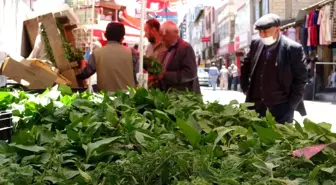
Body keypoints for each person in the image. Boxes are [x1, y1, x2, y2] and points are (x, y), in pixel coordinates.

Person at [240, 13, 308, 124]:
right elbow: (245, 65)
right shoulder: (256, 44)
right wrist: (245, 88)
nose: (262, 35)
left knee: (279, 139)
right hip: (256, 107)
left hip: (281, 108)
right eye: (260, 32)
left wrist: (291, 105)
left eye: (265, 31)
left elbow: (301, 79)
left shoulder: (293, 49)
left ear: (277, 30)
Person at [77, 22, 135, 92]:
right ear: (122, 38)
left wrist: (82, 62)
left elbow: (85, 73)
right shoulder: (131, 53)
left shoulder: (97, 53)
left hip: (106, 99)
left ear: (105, 35)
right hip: (128, 98)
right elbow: (136, 76)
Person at [158, 20, 200, 93]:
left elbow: (191, 73)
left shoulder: (185, 47)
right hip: (172, 96)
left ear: (167, 34)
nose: (161, 40)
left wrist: (165, 75)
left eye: (161, 35)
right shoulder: (169, 49)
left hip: (184, 98)